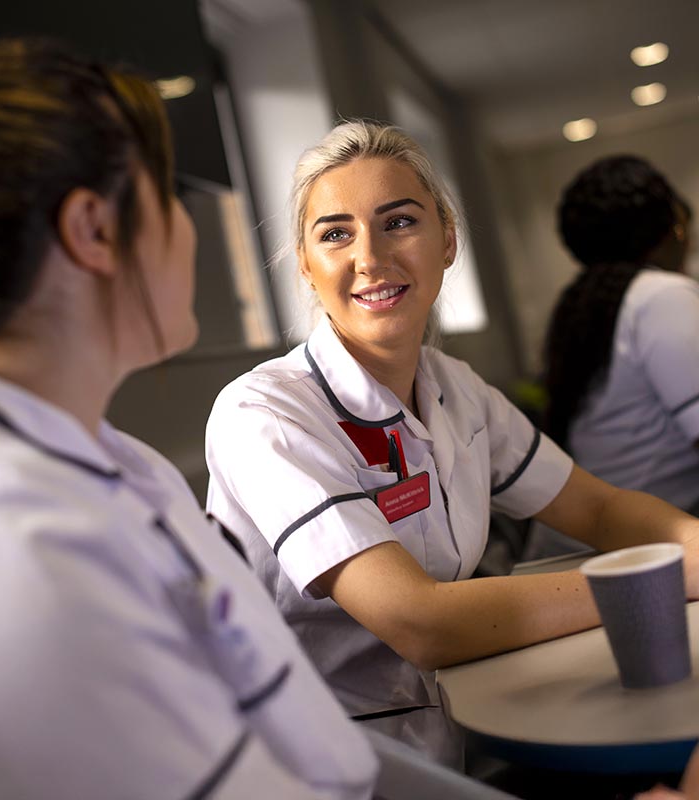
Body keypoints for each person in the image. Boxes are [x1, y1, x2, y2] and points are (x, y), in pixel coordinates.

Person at [0, 40, 377, 799]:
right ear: (93, 230)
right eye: (171, 199)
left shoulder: (113, 458)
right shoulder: (1, 535)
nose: (188, 235)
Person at [204, 121, 699, 767]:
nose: (371, 258)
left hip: (457, 735)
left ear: (447, 240)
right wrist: (656, 582)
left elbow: (598, 509)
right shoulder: (263, 413)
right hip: (319, 767)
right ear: (305, 263)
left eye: (399, 222)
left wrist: (690, 544)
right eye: (335, 234)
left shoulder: (454, 389)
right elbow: (420, 622)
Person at [543, 156, 699, 512]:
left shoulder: (591, 302)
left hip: (589, 542)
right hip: (628, 546)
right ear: (673, 225)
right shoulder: (661, 295)